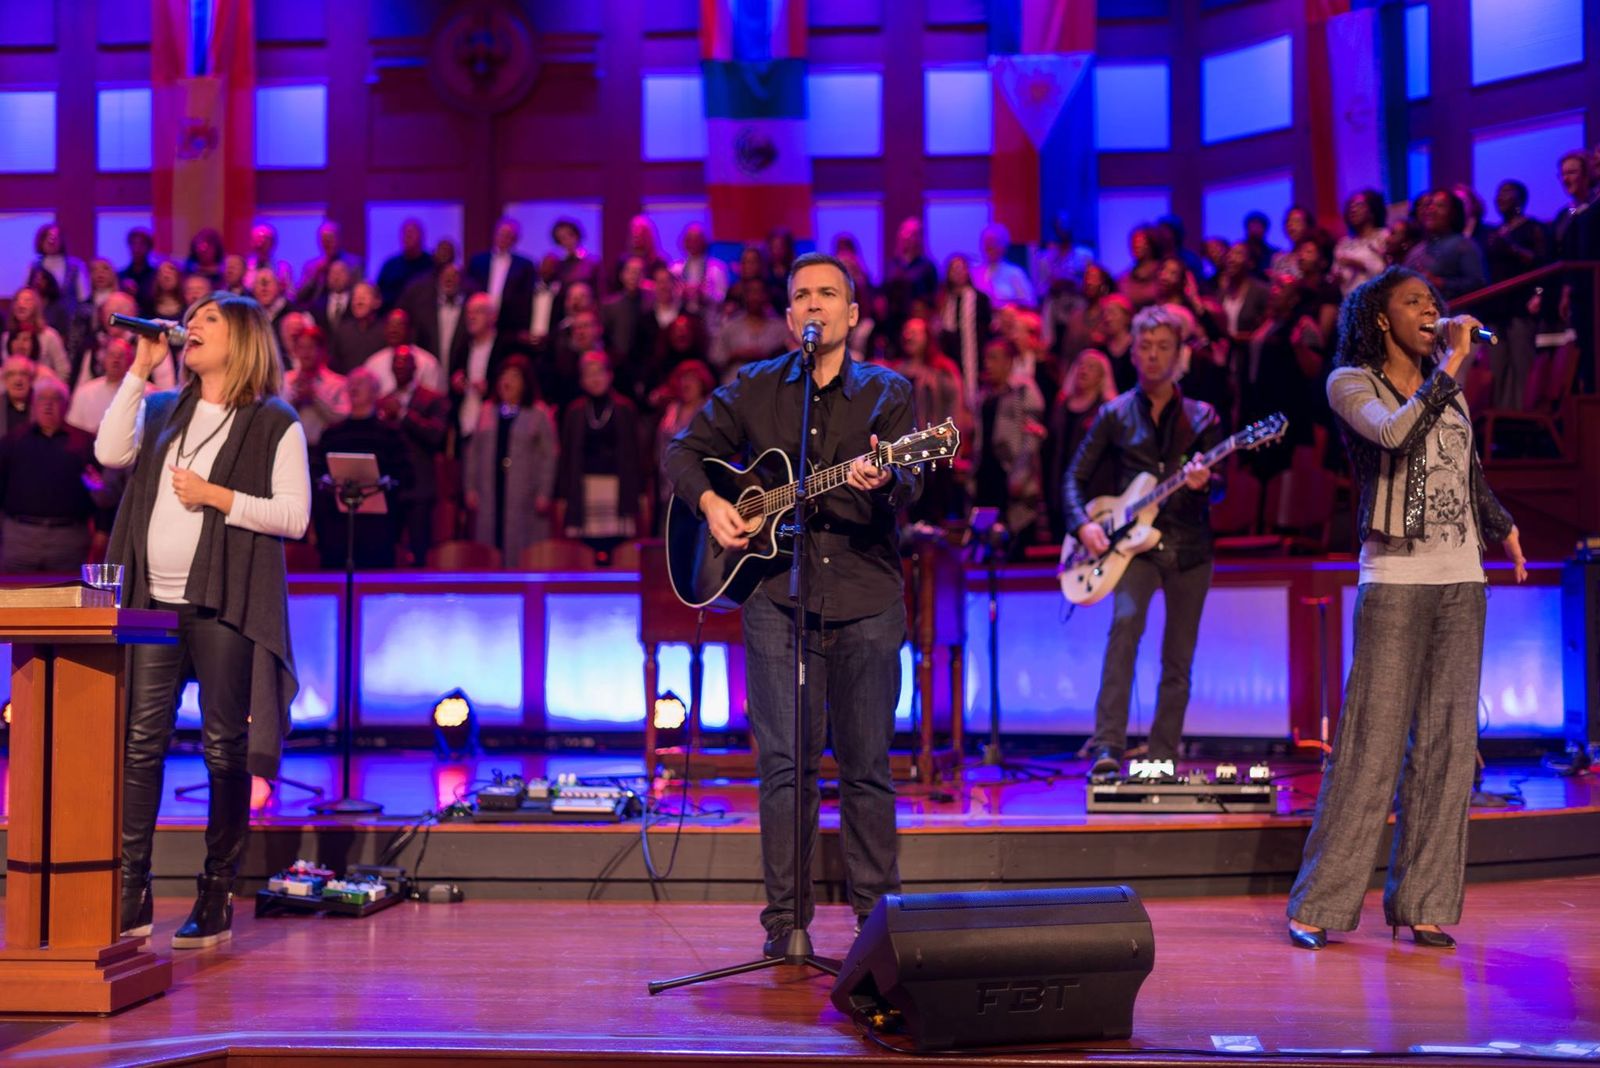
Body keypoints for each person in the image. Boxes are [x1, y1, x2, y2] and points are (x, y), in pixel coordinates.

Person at [664, 252, 921, 954]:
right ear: (788, 317)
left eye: (828, 294)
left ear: (852, 314)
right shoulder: (755, 386)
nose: (815, 304)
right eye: (803, 295)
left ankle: (877, 924)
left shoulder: (889, 393)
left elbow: (914, 486)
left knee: (867, 767)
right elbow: (681, 453)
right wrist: (711, 502)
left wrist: (886, 481)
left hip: (867, 598)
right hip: (777, 597)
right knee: (784, 767)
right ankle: (786, 926)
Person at [1286, 267, 1527, 952]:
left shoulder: (1447, 390)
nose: (1430, 310)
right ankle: (1319, 904)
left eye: (1433, 301)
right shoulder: (1351, 382)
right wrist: (1451, 364)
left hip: (1462, 577)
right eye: (1413, 301)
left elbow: (1464, 469)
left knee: (1448, 746)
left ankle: (1423, 902)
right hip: (1395, 575)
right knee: (1372, 742)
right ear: (1381, 318)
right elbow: (1395, 435)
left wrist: (1501, 523)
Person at [96, 293, 311, 949]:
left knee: (223, 747)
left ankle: (216, 892)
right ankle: (131, 891)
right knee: (140, 743)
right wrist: (140, 369)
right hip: (153, 604)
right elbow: (110, 452)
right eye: (191, 317)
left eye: (208, 319)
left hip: (223, 602)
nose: (190, 325)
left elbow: (295, 517)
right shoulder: (164, 408)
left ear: (241, 338)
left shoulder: (274, 421)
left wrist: (216, 496)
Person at [1065, 304, 1224, 776]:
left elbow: (1223, 487)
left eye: (1163, 347)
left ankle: (1162, 755)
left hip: (1191, 547)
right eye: (1145, 346)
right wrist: (1083, 524)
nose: (1153, 355)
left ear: (1179, 355)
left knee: (1178, 657)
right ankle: (1107, 747)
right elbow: (1073, 477)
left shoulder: (1202, 416)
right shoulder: (1114, 414)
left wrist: (1205, 484)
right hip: (1134, 548)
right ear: (1132, 353)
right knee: (1124, 631)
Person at [0, 374, 104, 572]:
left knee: (67, 590)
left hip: (69, 539)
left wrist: (103, 529)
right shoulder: (12, 441)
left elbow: (102, 491)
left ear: (66, 405)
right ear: (33, 404)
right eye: (41, 398)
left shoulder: (86, 442)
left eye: (55, 399)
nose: (48, 405)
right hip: (19, 538)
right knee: (13, 591)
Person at [466, 357, 559, 561]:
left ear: (525, 382)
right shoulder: (487, 411)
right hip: (491, 491)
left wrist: (544, 492)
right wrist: (471, 487)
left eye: (514, 377)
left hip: (525, 495)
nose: (507, 382)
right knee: (489, 543)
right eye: (504, 376)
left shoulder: (538, 413)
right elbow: (474, 452)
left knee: (522, 546)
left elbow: (549, 456)